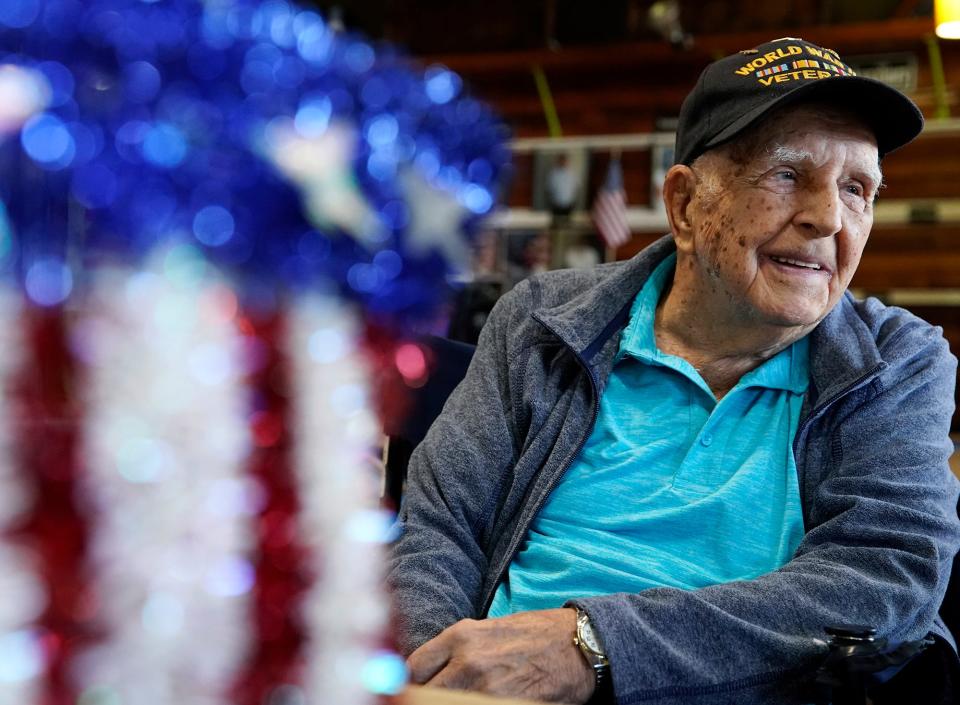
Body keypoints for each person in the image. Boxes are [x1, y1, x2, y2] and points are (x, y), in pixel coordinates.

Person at [387, 38, 960, 705]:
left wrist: (590, 646)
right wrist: (431, 670)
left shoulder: (897, 362)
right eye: (785, 175)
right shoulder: (542, 322)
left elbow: (882, 578)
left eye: (857, 189)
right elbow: (438, 529)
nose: (827, 218)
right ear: (686, 205)